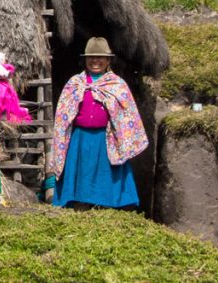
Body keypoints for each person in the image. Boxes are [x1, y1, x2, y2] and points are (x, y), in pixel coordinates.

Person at [51, 37, 147, 209]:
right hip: (80, 140)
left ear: (108, 60)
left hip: (106, 141)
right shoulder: (75, 84)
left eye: (100, 57)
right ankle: (80, 209)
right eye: (91, 57)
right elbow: (63, 114)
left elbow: (127, 114)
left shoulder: (117, 85)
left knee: (106, 179)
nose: (95, 61)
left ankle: (107, 211)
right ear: (85, 60)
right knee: (81, 177)